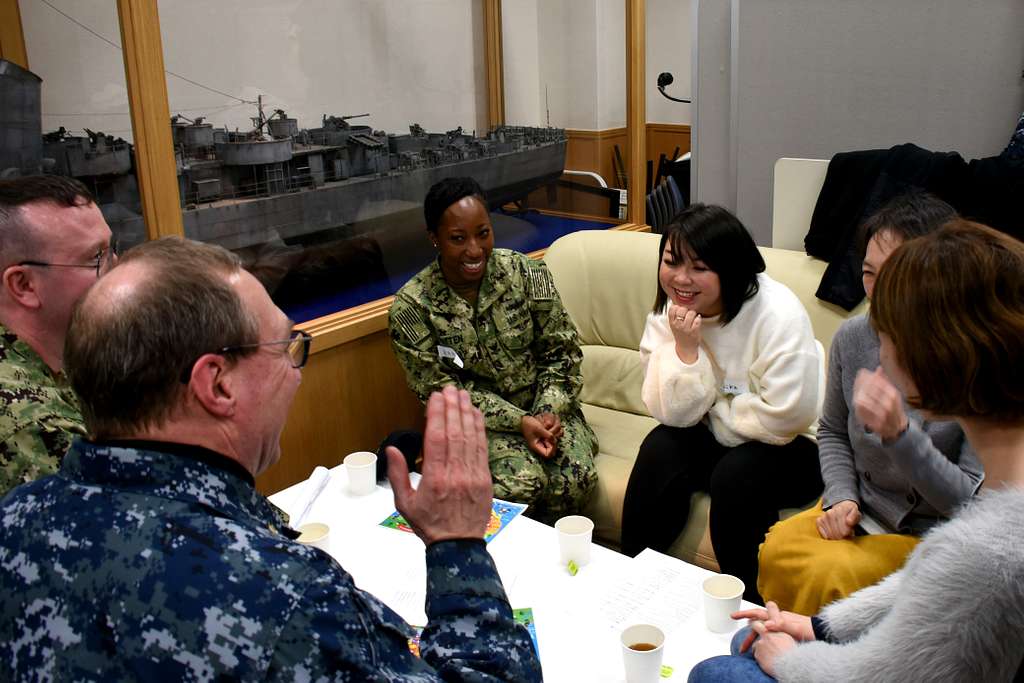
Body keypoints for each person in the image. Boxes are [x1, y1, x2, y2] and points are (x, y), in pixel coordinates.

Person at [0, 237, 541, 681]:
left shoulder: (15, 518)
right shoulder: (287, 602)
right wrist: (458, 545)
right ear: (217, 383)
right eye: (285, 348)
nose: (296, 371)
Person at [689, 220, 1024, 682]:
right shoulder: (997, 510)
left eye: (891, 326)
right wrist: (817, 626)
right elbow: (922, 586)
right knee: (750, 640)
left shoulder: (979, 552)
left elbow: (874, 673)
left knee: (717, 671)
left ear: (938, 352)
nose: (877, 338)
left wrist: (790, 659)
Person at [757, 193, 983, 615]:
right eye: (868, 272)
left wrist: (901, 436)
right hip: (860, 511)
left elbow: (972, 505)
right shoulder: (854, 336)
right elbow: (832, 430)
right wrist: (842, 497)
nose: (879, 292)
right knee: (776, 549)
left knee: (829, 577)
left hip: (933, 533)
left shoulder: (975, 360)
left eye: (896, 274)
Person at [621, 204, 822, 603]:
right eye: (671, 262)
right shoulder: (671, 310)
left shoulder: (777, 313)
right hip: (721, 433)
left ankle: (747, 607)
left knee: (736, 475)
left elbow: (788, 416)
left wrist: (714, 409)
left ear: (730, 269)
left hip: (797, 449)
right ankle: (633, 581)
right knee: (661, 446)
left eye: (699, 267)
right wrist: (685, 351)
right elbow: (671, 414)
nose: (680, 279)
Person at [389, 176, 598, 523]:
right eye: (458, 239)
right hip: (480, 426)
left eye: (483, 233)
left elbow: (561, 352)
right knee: (521, 484)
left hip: (548, 409)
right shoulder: (413, 309)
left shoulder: (527, 273)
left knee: (575, 480)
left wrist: (546, 412)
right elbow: (443, 394)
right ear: (435, 239)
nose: (474, 250)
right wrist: (519, 422)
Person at [0, 175, 114, 496]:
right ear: (23, 285)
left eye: (111, 250)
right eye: (96, 257)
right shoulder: (31, 427)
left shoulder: (58, 357)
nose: (115, 269)